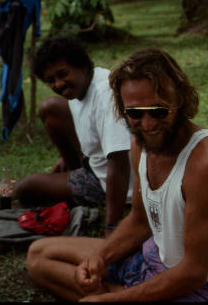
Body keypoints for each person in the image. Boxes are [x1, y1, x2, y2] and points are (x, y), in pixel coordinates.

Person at [26, 47, 208, 302]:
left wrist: (119, 299)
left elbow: (194, 272)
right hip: (149, 259)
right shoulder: (140, 144)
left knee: (85, 289)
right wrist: (102, 257)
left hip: (200, 288)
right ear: (123, 110)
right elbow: (141, 220)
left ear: (180, 100)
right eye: (135, 114)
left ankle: (112, 294)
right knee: (38, 255)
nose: (148, 124)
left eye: (159, 111)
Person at [13, 36, 132, 236]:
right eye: (50, 80)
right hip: (94, 163)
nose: (59, 84)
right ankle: (72, 174)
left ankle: (77, 185)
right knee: (50, 108)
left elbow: (119, 163)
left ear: (82, 66)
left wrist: (111, 224)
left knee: (26, 188)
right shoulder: (83, 84)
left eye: (62, 74)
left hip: (112, 184)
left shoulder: (105, 94)